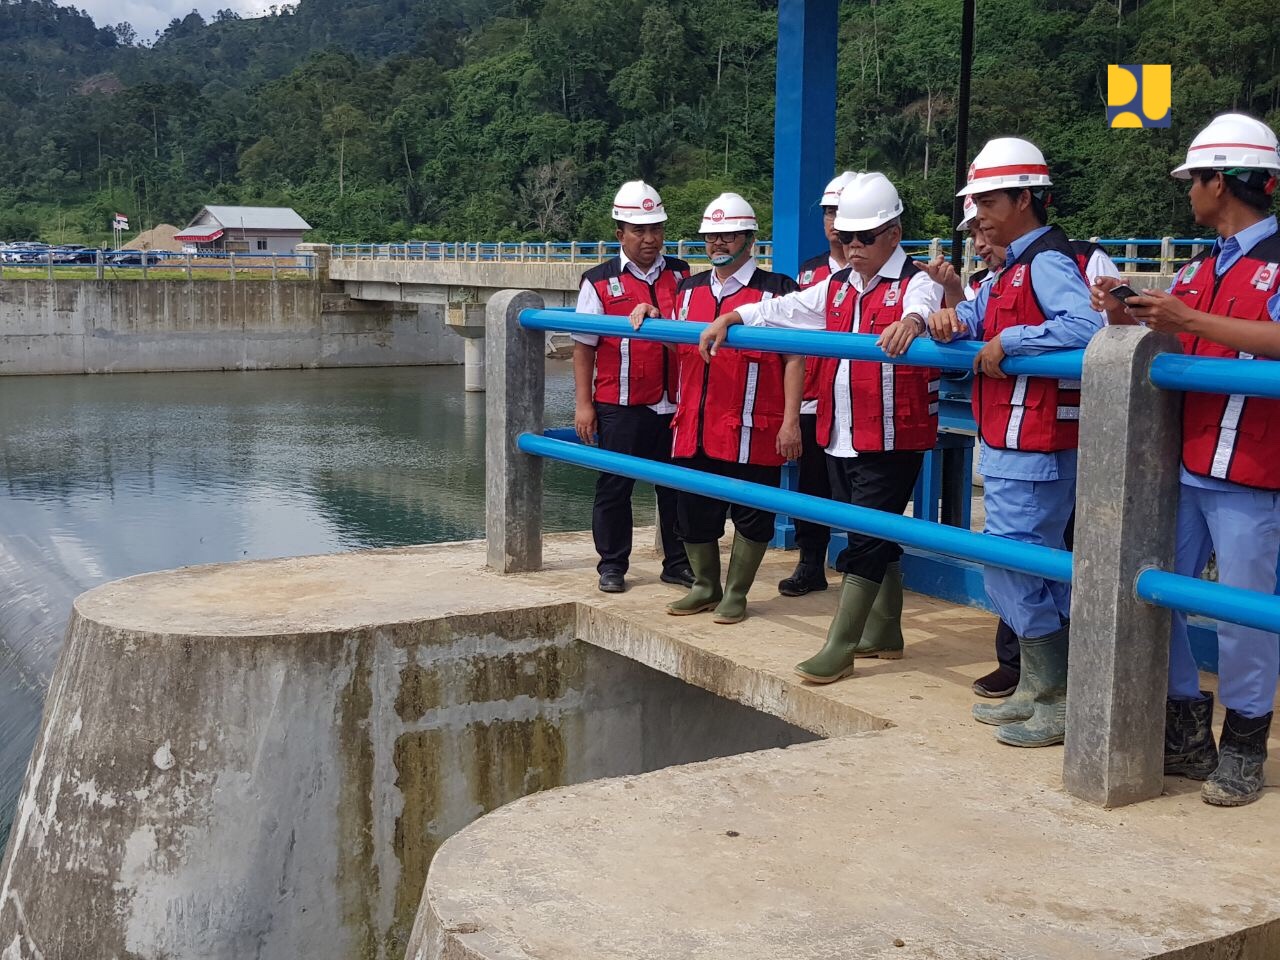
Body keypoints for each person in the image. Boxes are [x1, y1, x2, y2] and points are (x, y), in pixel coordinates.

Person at [1093, 112, 1280, 806]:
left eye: (1193, 181)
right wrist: (1125, 312)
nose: (1188, 194)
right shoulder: (1206, 265)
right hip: (1188, 461)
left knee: (1243, 613)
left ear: (1220, 182)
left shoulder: (1276, 260)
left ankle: (1244, 746)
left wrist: (1187, 320)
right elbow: (1175, 336)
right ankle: (1185, 728)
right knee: (1154, 590)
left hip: (1253, 470)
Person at [698, 173, 942, 680]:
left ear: (894, 233)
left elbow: (925, 308)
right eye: (846, 237)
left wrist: (913, 324)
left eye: (865, 238)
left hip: (892, 434)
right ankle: (887, 631)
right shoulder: (835, 287)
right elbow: (787, 309)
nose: (852, 247)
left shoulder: (915, 282)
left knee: (868, 538)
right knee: (865, 527)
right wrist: (734, 316)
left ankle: (841, 646)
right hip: (840, 430)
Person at [927, 138, 1102, 747]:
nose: (978, 214)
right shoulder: (1008, 269)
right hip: (1009, 436)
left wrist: (1015, 341)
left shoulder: (1047, 261)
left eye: (989, 200)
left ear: (1026, 199)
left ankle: (1054, 694)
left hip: (1036, 442)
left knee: (1017, 561)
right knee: (1024, 563)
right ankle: (1039, 686)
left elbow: (1086, 326)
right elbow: (973, 318)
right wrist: (939, 318)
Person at [629, 192, 803, 624]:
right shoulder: (687, 289)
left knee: (752, 513)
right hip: (697, 422)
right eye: (711, 237)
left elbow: (796, 358)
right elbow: (677, 342)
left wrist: (791, 422)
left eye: (728, 236)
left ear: (750, 239)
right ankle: (706, 586)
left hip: (751, 424)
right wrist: (652, 313)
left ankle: (737, 593)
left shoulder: (777, 290)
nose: (718, 244)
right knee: (692, 510)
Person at [573, 180, 693, 594]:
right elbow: (584, 347)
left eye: (656, 228)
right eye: (639, 230)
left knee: (676, 484)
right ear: (619, 232)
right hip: (620, 402)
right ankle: (612, 565)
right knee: (615, 486)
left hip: (673, 401)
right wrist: (584, 405)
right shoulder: (598, 281)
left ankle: (677, 563)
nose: (649, 238)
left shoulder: (680, 273)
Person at [780, 170, 859, 598]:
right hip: (817, 396)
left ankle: (866, 567)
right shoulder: (811, 272)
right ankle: (811, 562)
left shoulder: (888, 271)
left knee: (857, 484)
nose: (832, 220)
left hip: (861, 397)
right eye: (827, 211)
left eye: (840, 211)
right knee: (812, 484)